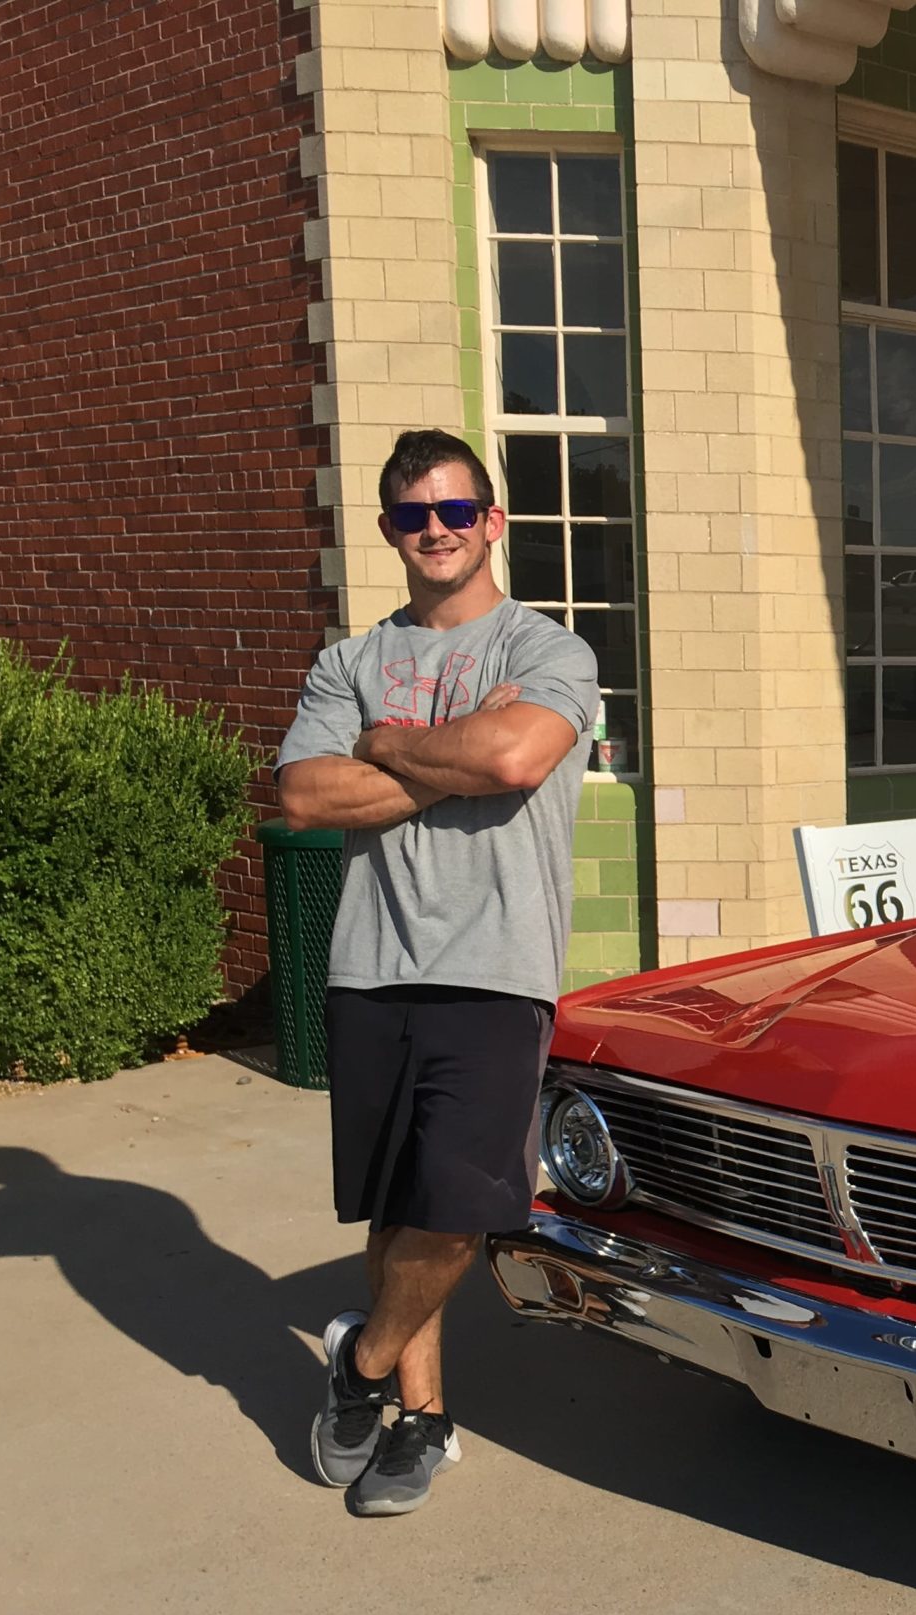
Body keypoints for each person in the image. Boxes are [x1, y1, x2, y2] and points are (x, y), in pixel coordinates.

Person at [276, 428, 598, 1516]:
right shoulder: (349, 662)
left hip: (497, 968)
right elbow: (307, 800)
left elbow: (515, 758)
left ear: (491, 522)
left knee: (458, 1212)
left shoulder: (548, 650)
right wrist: (448, 758)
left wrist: (382, 747)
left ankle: (359, 1365)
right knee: (395, 1205)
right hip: (370, 964)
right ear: (388, 532)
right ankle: (420, 1421)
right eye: (415, 517)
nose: (436, 532)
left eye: (455, 512)